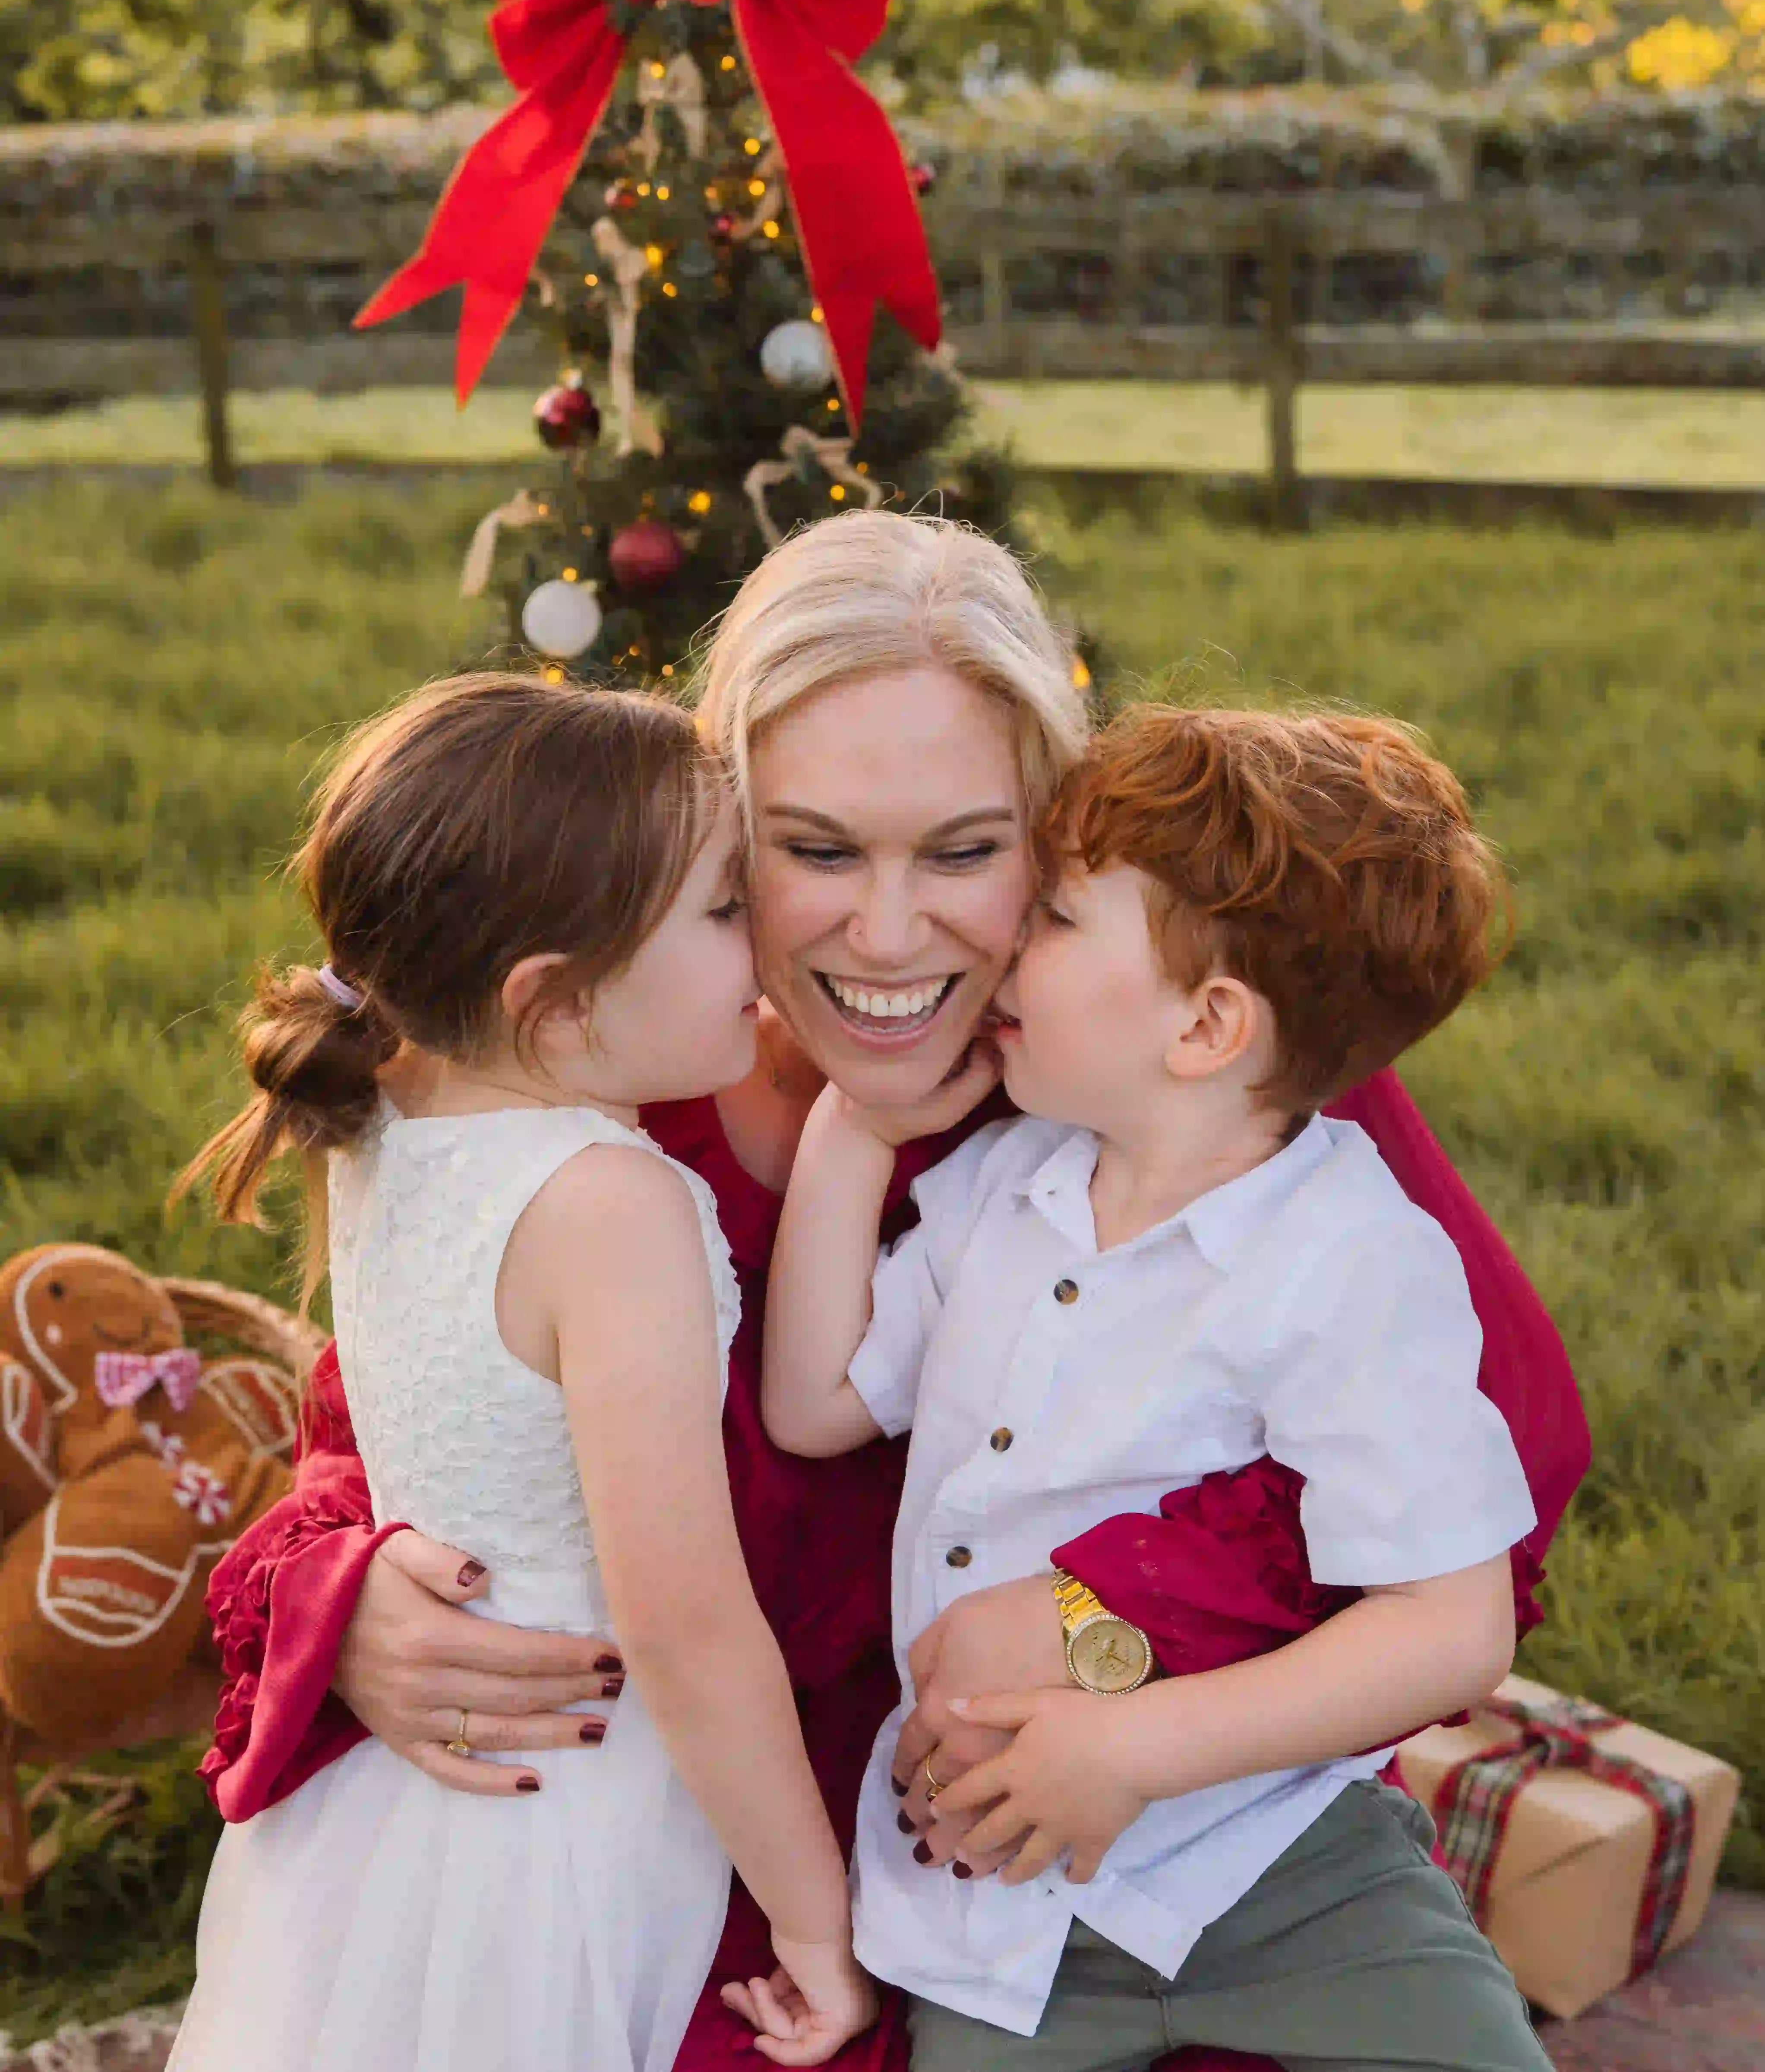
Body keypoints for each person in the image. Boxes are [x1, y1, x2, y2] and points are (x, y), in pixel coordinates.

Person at [200, 514, 1590, 2072]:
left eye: (967, 851)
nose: (884, 931)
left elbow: (1505, 1473)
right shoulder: (602, 1082)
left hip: (1096, 1837)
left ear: (1061, 842)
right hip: (716, 1847)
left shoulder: (1188, 1088)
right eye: (811, 852)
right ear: (716, 841)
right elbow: (395, 1415)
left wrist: (1098, 1619)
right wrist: (352, 1597)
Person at [764, 702, 1553, 2072]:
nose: (1012, 937)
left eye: (1060, 918)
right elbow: (817, 1404)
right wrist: (853, 1128)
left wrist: (1137, 1751)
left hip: (1282, 1867)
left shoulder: (1350, 1258)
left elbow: (1454, 1626)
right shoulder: (1000, 1189)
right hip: (995, 1908)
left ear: (1206, 1025)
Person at [168, 674, 876, 2072]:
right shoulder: (612, 1202)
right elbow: (684, 1623)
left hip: (385, 1810)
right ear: (552, 1006)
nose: (766, 939)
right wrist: (814, 1922)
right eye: (725, 909)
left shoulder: (385, 1109)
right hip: (566, 1791)